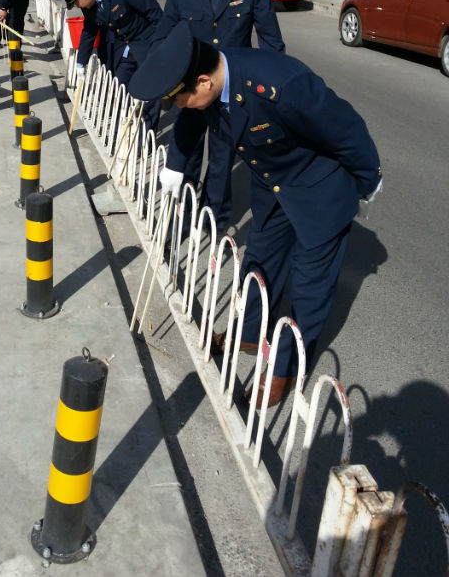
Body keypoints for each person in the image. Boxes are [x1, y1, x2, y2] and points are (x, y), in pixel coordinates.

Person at [128, 23, 382, 407]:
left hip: (319, 189)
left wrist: (367, 181)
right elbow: (191, 122)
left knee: (308, 289)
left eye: (181, 98)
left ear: (204, 83)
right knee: (259, 262)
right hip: (273, 182)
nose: (179, 106)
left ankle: (284, 370)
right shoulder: (207, 85)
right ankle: (247, 334)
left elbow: (346, 129)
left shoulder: (280, 85)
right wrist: (175, 167)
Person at [151, 0, 286, 230]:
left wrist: (272, 95)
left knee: (222, 161)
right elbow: (163, 37)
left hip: (230, 90)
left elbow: (272, 44)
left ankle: (214, 224)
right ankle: (180, 221)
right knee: (186, 155)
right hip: (192, 88)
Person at [54, 0, 161, 133]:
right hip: (123, 48)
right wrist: (81, 63)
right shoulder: (89, 3)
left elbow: (154, 13)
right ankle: (122, 131)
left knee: (151, 91)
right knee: (120, 88)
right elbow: (89, 30)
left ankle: (146, 133)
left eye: (77, 3)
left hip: (146, 43)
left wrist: (161, 45)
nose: (77, 7)